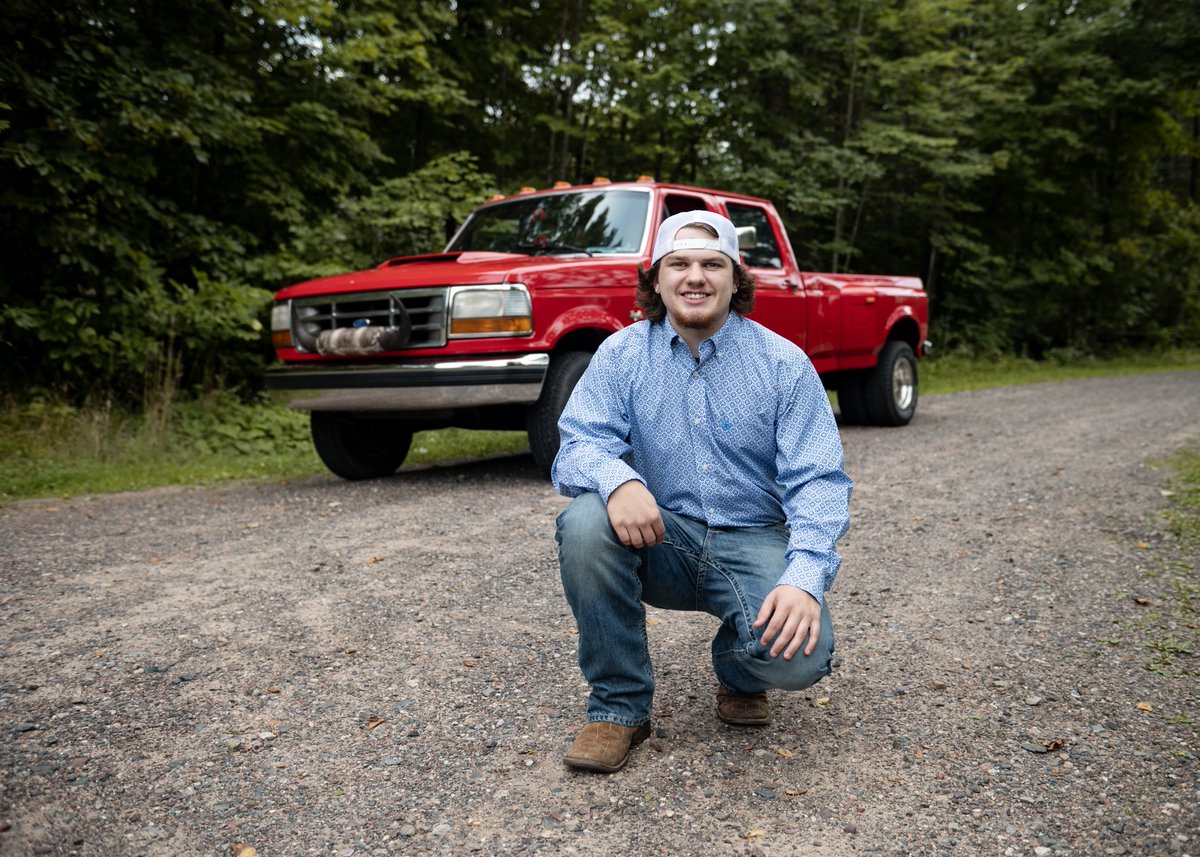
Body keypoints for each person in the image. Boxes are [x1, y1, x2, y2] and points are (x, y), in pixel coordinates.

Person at [551, 209, 852, 773]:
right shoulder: (620, 355)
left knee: (800, 659)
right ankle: (618, 709)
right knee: (587, 521)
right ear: (657, 279)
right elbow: (576, 445)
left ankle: (738, 668)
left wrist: (804, 578)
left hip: (754, 538)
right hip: (661, 538)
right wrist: (620, 481)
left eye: (713, 264)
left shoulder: (783, 364)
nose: (695, 277)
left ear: (736, 279)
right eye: (680, 264)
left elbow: (818, 480)